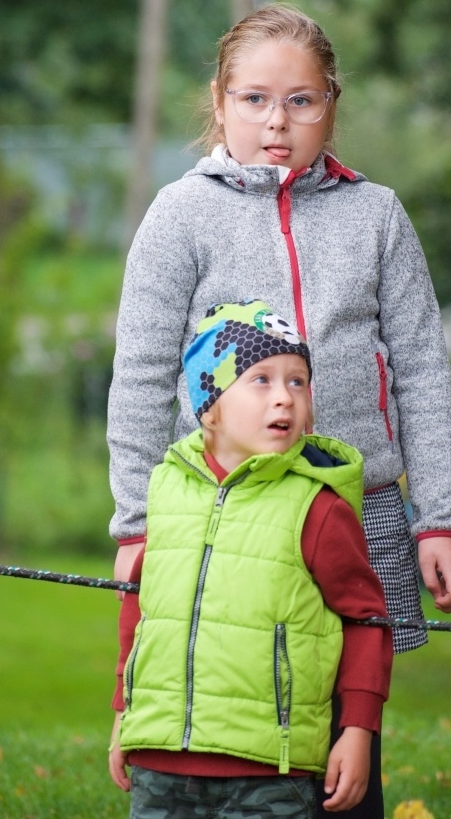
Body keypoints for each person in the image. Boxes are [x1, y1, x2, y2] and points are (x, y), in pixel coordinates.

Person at [108, 3, 451, 818]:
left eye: (302, 101)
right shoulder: (180, 215)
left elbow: (420, 369)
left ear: (331, 104)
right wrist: (138, 524)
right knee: (244, 712)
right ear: (220, 99)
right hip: (225, 522)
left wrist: (440, 519)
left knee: (349, 726)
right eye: (256, 100)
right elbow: (138, 376)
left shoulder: (377, 216)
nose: (279, 122)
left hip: (360, 510)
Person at [108, 300, 392, 818]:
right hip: (161, 763)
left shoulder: (318, 507)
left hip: (270, 771)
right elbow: (143, 610)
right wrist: (124, 715)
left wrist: (357, 730)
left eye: (298, 382)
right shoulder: (167, 490)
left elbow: (367, 620)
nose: (284, 397)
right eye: (261, 380)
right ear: (209, 405)